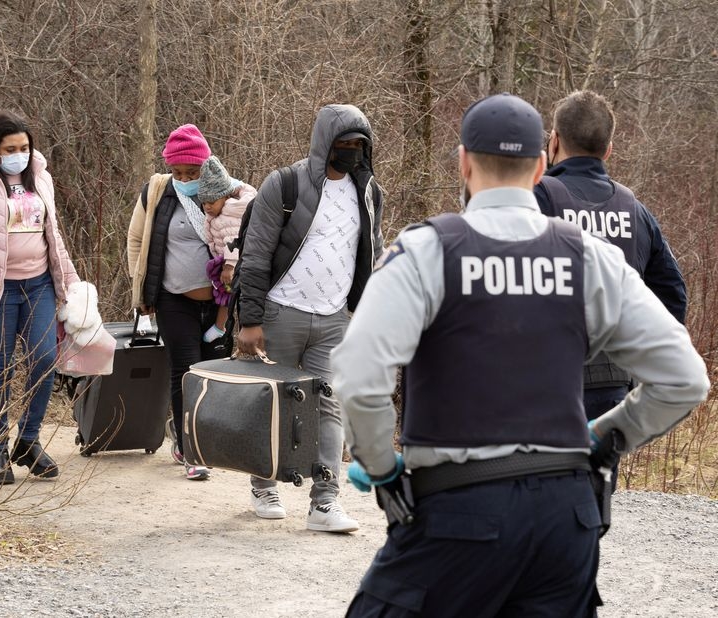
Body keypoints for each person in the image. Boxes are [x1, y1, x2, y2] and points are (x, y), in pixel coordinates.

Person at [332, 93, 710, 616]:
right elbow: (685, 378)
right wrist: (602, 438)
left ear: (463, 161)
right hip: (566, 523)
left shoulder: (426, 251)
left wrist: (381, 469)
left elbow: (358, 373)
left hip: (457, 514)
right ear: (539, 166)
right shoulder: (588, 257)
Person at [236, 104, 385, 533]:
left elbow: (370, 253)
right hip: (281, 312)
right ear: (326, 145)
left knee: (329, 408)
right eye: (344, 145)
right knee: (271, 404)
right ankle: (264, 485)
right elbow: (257, 254)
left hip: (335, 318)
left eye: (360, 146)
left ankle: (325, 502)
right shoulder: (284, 184)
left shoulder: (369, 192)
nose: (353, 153)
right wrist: (250, 320)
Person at [0, 112, 88, 485]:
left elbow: (53, 237)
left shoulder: (40, 176)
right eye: (11, 149)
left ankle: (27, 440)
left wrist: (69, 283)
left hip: (38, 283)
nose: (19, 154)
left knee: (44, 358)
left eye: (24, 147)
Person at [536, 89, 688, 424]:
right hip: (612, 384)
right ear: (608, 149)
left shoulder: (535, 200)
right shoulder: (635, 210)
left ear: (554, 141)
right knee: (599, 476)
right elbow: (673, 294)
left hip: (544, 378)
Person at [126, 124, 226, 481]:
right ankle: (189, 448)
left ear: (206, 166)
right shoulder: (157, 193)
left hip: (218, 304)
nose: (184, 178)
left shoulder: (223, 192)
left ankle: (205, 437)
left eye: (192, 172)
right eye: (178, 172)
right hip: (173, 299)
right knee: (186, 372)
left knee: (214, 373)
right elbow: (137, 241)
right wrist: (142, 295)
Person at [197, 155, 257, 342]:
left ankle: (221, 327)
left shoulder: (229, 212)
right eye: (204, 202)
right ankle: (223, 327)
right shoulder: (219, 212)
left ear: (225, 196)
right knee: (224, 293)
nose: (207, 206)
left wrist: (229, 266)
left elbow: (233, 240)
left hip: (233, 264)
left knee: (227, 293)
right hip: (224, 261)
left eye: (212, 202)